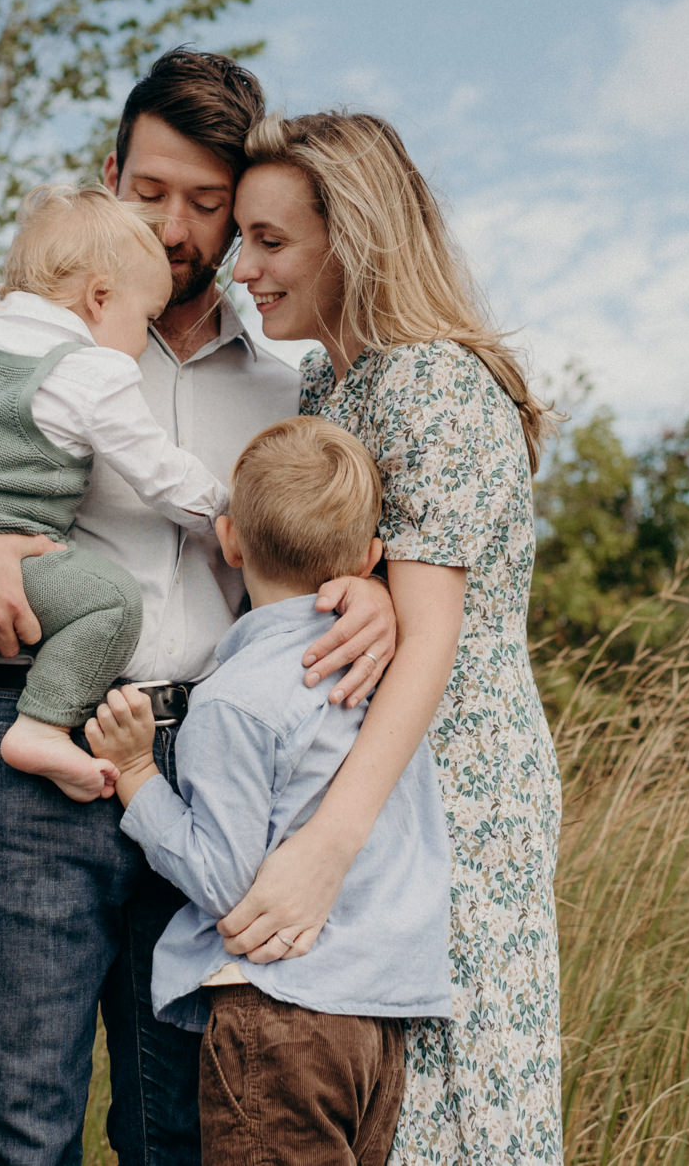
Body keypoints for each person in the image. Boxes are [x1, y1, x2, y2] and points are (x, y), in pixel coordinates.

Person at [0, 48, 399, 1166]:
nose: (173, 225)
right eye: (148, 192)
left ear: (239, 210)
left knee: (176, 1130)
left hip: (212, 766)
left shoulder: (288, 382)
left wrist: (375, 593)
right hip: (29, 737)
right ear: (108, 174)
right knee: (21, 1122)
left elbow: (332, 536)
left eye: (206, 205)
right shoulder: (3, 329)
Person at [220, 111, 563, 1163]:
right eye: (243, 238)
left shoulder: (431, 381)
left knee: (451, 1105)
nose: (241, 267)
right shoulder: (331, 384)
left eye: (269, 241)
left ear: (353, 237)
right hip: (375, 778)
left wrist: (327, 846)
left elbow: (431, 644)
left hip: (450, 784)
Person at [86, 415, 451, 1166]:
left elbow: (226, 879)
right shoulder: (388, 678)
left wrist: (137, 777)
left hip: (280, 1014)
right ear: (371, 559)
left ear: (230, 541)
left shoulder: (235, 698)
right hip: (381, 1023)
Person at [0, 183, 231, 885]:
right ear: (99, 297)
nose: (142, 339)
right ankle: (42, 727)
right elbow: (159, 472)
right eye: (144, 319)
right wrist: (226, 509)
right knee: (110, 602)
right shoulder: (90, 369)